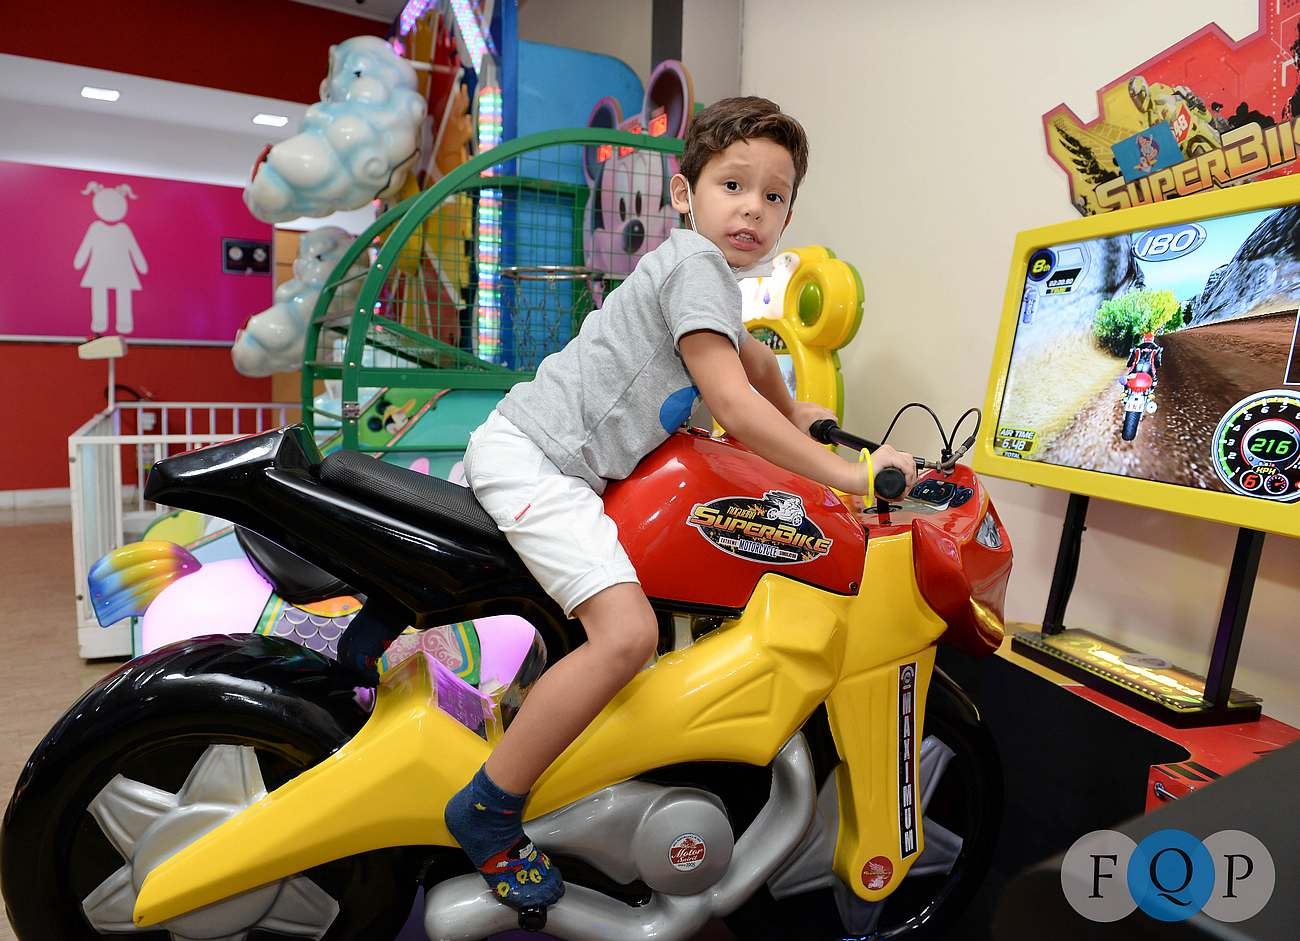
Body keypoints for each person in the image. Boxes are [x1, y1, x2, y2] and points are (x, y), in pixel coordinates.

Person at [443, 96, 918, 911]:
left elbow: (753, 365)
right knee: (626, 634)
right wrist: (854, 476)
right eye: (733, 185)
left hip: (545, 456)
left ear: (789, 213)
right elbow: (733, 405)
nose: (753, 209)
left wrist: (805, 416)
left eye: (774, 195)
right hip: (539, 464)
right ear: (683, 193)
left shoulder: (704, 278)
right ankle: (488, 808)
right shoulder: (696, 267)